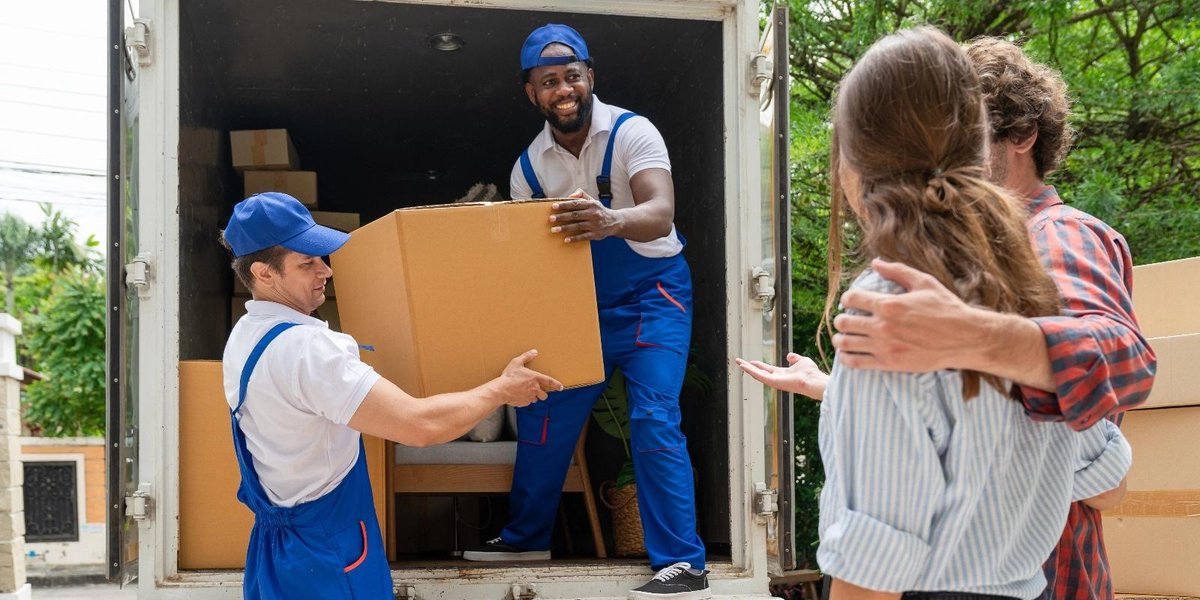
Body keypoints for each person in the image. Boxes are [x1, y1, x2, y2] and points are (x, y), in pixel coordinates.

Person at [737, 36, 1155, 600]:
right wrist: (843, 393)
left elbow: (874, 561)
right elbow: (1107, 471)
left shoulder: (901, 299)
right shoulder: (1026, 282)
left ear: (855, 158)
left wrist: (922, 362)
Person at [460, 23, 709, 599]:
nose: (564, 88)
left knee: (652, 418)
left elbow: (661, 211)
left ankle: (682, 563)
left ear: (590, 77)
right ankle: (526, 538)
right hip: (581, 307)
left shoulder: (632, 132)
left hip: (655, 297)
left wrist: (610, 220)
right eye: (549, 81)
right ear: (532, 94)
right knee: (544, 415)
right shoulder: (528, 168)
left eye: (573, 75)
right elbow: (533, 257)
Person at [219, 192, 563, 600]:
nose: (325, 271)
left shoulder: (244, 337)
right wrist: (501, 389)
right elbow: (419, 426)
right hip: (329, 554)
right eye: (307, 263)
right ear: (264, 273)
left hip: (276, 554)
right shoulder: (309, 349)